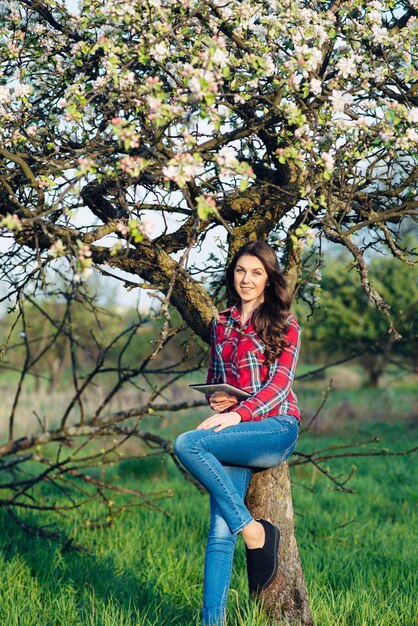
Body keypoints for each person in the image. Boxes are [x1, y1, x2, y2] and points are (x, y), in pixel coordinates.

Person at [174, 240, 301, 626]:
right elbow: (217, 379)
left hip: (276, 427)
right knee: (217, 530)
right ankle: (212, 621)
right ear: (233, 274)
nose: (246, 279)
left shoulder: (285, 323)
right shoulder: (222, 322)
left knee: (188, 443)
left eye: (256, 272)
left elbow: (279, 386)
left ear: (268, 279)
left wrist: (240, 414)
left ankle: (252, 531)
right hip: (239, 426)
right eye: (241, 271)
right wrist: (218, 400)